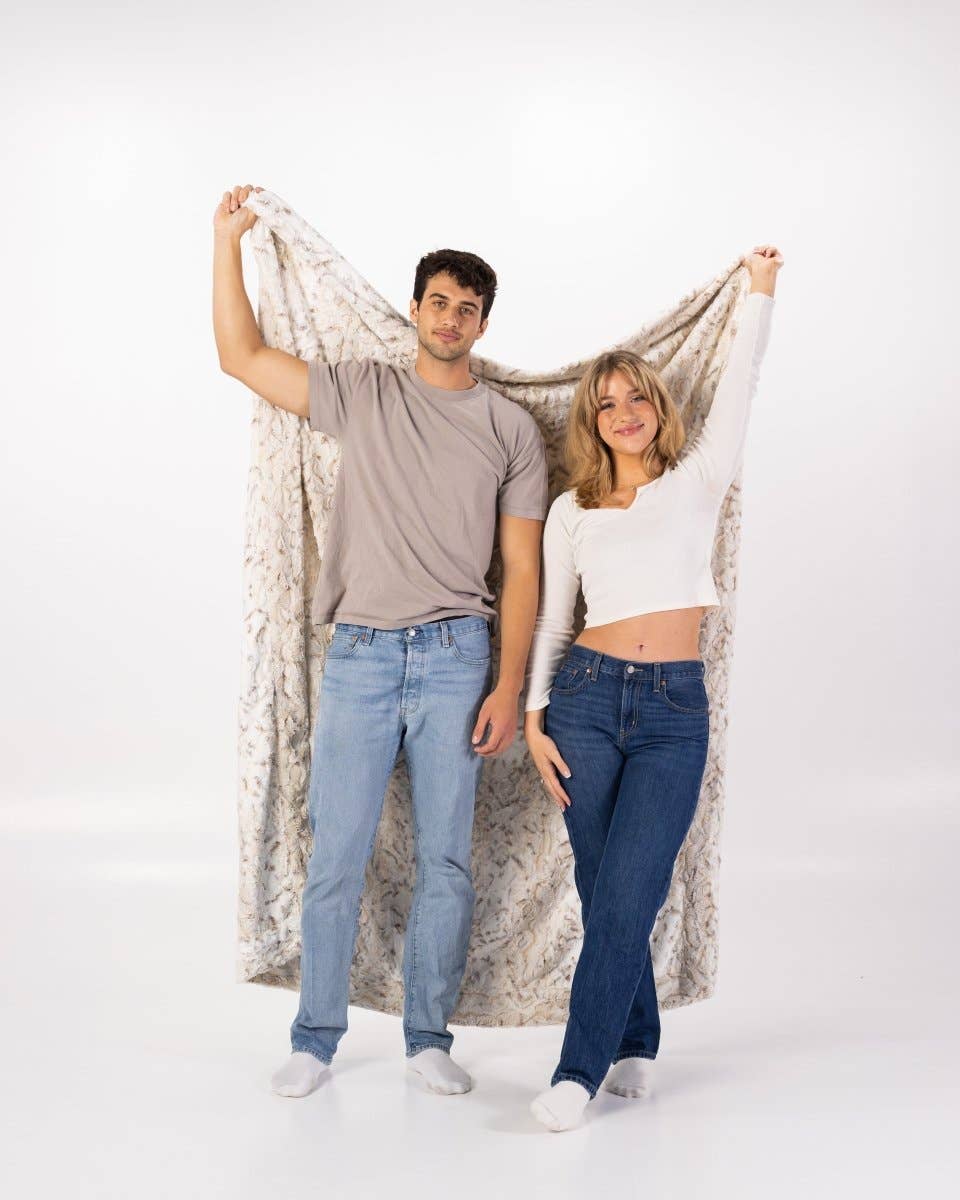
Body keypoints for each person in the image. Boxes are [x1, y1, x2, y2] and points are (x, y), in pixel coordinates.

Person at [212, 184, 549, 1098]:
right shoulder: (362, 392)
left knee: (446, 857)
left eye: (468, 308)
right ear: (415, 309)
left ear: (481, 325)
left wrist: (508, 687)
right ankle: (314, 1038)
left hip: (456, 659)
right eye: (438, 301)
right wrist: (228, 241)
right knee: (338, 853)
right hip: (358, 653)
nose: (451, 317)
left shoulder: (511, 428)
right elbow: (239, 356)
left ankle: (427, 1038)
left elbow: (522, 571)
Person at [522, 246, 782, 1131]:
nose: (624, 413)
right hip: (585, 702)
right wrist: (532, 718)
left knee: (632, 886)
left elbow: (742, 379)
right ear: (590, 423)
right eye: (606, 403)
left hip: (674, 710)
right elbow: (554, 624)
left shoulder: (698, 480)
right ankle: (635, 1038)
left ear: (657, 408)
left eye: (637, 397)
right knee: (606, 888)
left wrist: (758, 291)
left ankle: (575, 1070)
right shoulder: (572, 511)